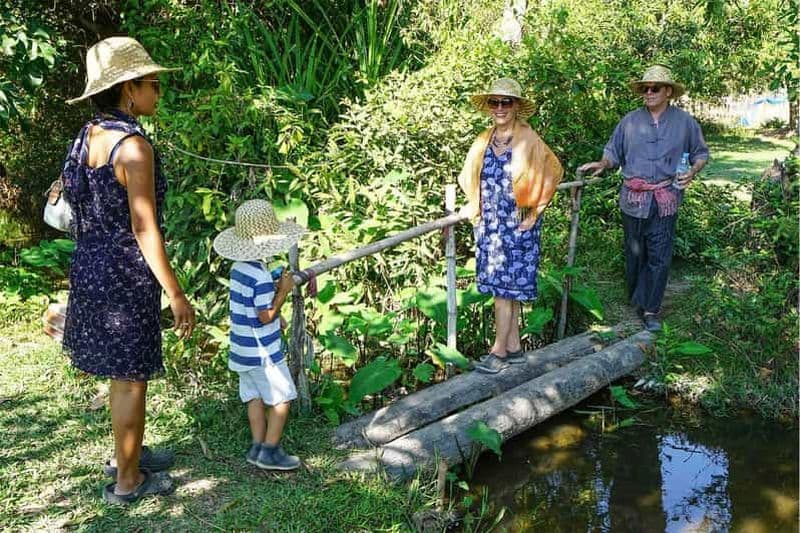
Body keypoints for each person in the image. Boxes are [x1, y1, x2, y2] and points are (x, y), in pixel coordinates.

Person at [62, 36, 196, 505]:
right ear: (128, 88)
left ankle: (128, 457)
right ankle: (127, 481)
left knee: (121, 377)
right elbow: (144, 228)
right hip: (124, 274)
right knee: (130, 379)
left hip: (89, 265)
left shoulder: (87, 136)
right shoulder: (134, 147)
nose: (158, 93)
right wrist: (176, 294)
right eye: (152, 84)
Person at [578, 65, 709, 332]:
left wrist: (693, 171)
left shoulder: (685, 122)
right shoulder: (629, 122)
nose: (648, 93)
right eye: (645, 89)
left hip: (666, 197)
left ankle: (651, 309)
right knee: (635, 252)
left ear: (668, 92)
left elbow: (701, 153)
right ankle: (639, 296)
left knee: (660, 255)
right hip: (633, 200)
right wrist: (603, 164)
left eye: (655, 88)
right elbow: (613, 152)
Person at [458, 78, 564, 374]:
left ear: (516, 106)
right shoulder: (482, 140)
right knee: (502, 290)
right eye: (495, 102)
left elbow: (552, 172)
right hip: (490, 227)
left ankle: (498, 352)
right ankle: (514, 347)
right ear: (489, 107)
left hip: (517, 226)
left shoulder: (529, 140)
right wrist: (472, 204)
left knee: (506, 291)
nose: (501, 108)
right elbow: (470, 176)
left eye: (507, 102)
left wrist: (536, 212)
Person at [213, 199, 305, 470]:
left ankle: (256, 446)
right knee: (282, 397)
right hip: (263, 354)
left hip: (242, 350)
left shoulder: (240, 270)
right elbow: (265, 315)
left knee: (253, 397)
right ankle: (270, 451)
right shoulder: (262, 279)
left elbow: (251, 309)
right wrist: (283, 291)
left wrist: (275, 304)